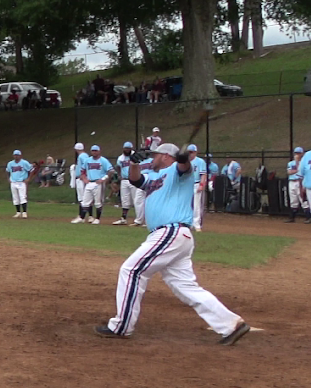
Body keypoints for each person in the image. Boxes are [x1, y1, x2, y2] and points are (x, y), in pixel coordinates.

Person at [95, 143, 249, 344]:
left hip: (171, 232)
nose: (152, 158)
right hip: (172, 237)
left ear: (166, 156)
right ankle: (231, 324)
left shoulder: (178, 172)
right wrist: (133, 163)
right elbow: (135, 180)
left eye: (156, 154)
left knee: (132, 271)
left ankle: (122, 326)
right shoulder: (153, 176)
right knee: (185, 286)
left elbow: (184, 166)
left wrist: (183, 157)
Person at [78, 144, 111, 224]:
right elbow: (82, 170)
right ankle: (82, 217)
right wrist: (84, 178)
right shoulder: (87, 160)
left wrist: (103, 179)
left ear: (99, 151)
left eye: (96, 151)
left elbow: (110, 171)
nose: (94, 152)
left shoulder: (103, 160)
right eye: (93, 151)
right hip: (89, 182)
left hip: (98, 183)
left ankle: (97, 219)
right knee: (85, 201)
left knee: (98, 202)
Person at [113, 142, 139, 225]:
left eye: (128, 148)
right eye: (125, 148)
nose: (126, 150)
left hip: (134, 180)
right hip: (124, 180)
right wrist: (119, 176)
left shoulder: (135, 157)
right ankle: (123, 218)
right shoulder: (121, 158)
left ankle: (139, 219)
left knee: (136, 199)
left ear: (131, 149)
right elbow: (118, 167)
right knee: (125, 199)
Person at [185, 146, 208, 231]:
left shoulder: (200, 161)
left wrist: (201, 184)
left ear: (195, 152)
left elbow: (203, 174)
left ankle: (197, 224)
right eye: (189, 152)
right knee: (187, 205)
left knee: (196, 205)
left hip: (196, 183)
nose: (190, 154)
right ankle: (189, 223)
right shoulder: (185, 161)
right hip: (187, 185)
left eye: (191, 152)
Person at [6, 149, 33, 218]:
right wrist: (8, 178)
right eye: (15, 155)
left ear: (20, 156)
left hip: (21, 182)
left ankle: (24, 212)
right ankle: (18, 212)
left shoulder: (24, 163)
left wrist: (28, 179)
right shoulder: (10, 163)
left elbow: (31, 170)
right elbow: (8, 171)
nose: (16, 156)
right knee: (15, 197)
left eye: (17, 155)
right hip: (13, 182)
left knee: (22, 197)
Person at [284, 147, 306, 223]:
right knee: (293, 200)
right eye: (296, 153)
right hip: (292, 181)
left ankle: (308, 218)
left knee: (302, 198)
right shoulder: (291, 163)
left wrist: (297, 168)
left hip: (300, 182)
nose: (297, 155)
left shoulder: (304, 162)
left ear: (302, 154)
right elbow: (289, 172)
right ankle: (292, 217)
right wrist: (297, 170)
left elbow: (303, 172)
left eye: (299, 153)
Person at [68, 142, 87, 221]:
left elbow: (85, 166)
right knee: (82, 197)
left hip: (81, 178)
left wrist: (83, 175)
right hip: (80, 177)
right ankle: (83, 215)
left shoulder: (82, 156)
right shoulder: (84, 155)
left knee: (82, 198)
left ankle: (81, 215)